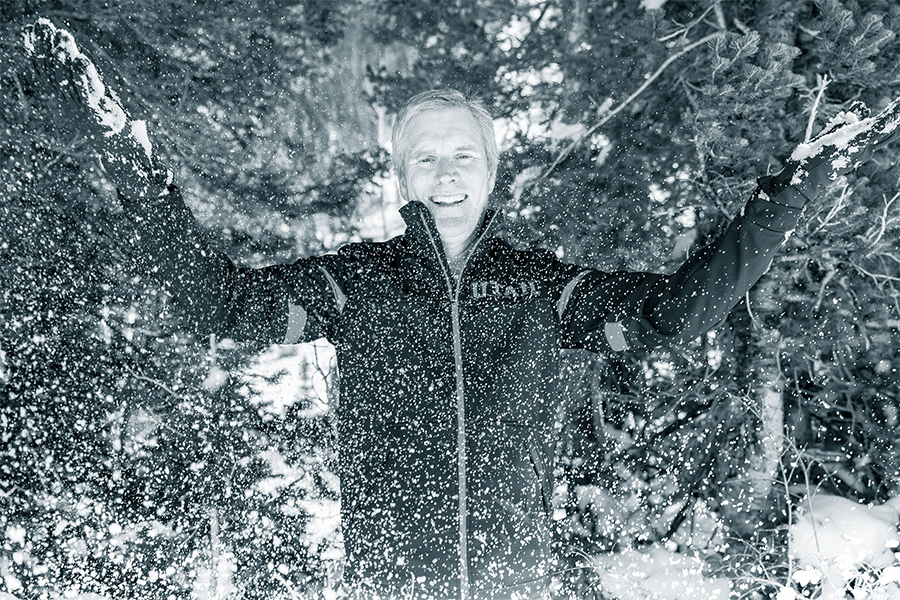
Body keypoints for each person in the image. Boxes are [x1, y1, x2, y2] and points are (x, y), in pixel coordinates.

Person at [24, 18, 900, 600]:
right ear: (401, 178)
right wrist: (122, 155)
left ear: (490, 170)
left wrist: (797, 187)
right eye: (425, 161)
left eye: (461, 158)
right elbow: (218, 300)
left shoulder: (545, 291)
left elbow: (675, 313)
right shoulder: (356, 287)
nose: (445, 176)